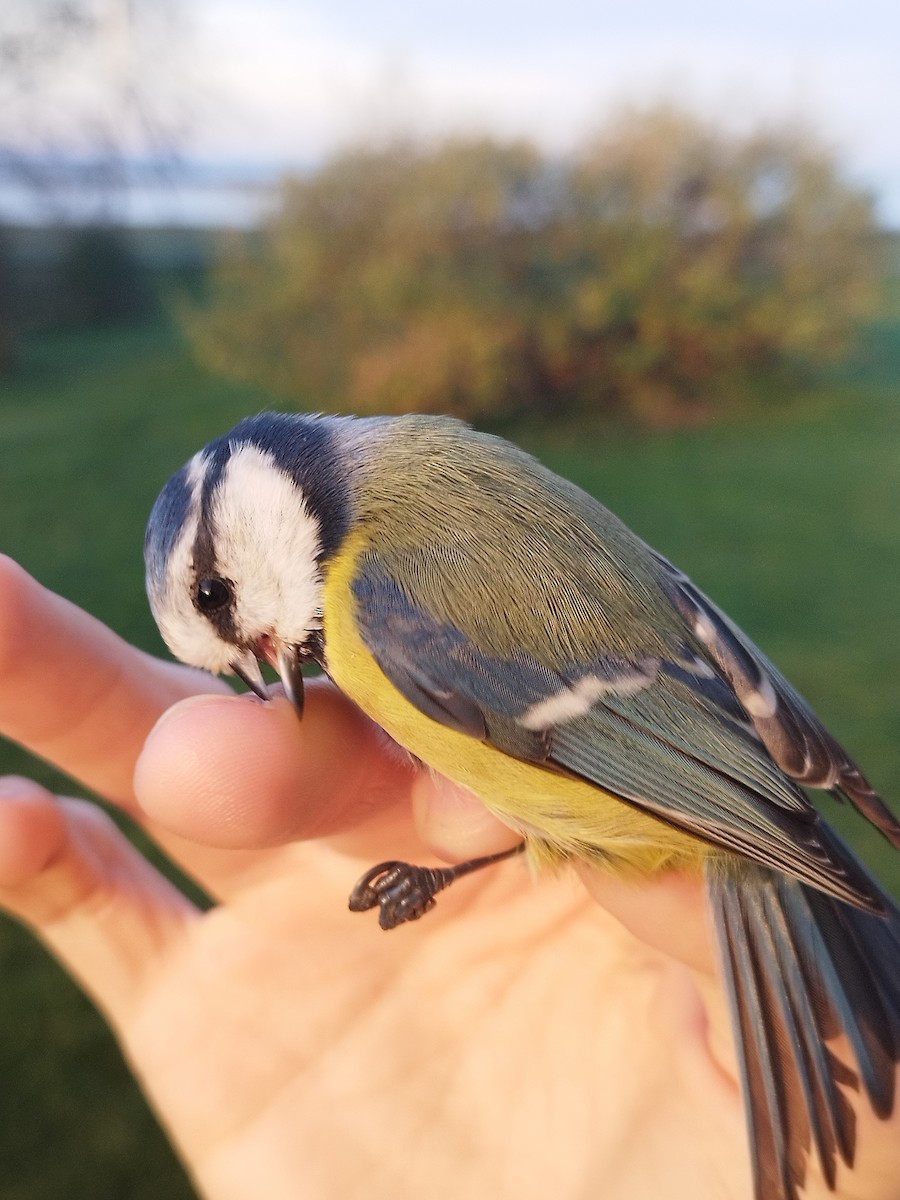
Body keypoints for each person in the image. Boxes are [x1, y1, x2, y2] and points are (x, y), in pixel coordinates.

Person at [0, 554, 896, 1200]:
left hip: (683, 791)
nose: (264, 663)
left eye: (217, 599)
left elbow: (593, 752)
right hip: (725, 734)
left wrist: (770, 827)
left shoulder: (377, 599)